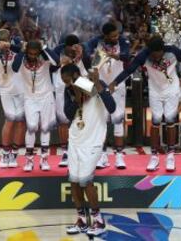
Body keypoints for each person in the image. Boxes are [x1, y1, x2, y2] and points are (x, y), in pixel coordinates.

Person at [110, 35, 181, 171]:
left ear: (163, 50)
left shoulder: (173, 51)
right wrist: (115, 82)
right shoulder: (143, 55)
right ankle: (154, 157)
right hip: (154, 91)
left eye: (158, 55)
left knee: (170, 121)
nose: (155, 58)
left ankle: (170, 155)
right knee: (155, 122)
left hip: (172, 90)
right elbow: (129, 70)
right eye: (153, 56)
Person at [62, 64, 116, 237]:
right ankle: (82, 220)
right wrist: (76, 95)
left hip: (93, 140)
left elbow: (112, 107)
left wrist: (98, 84)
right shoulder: (69, 91)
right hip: (75, 139)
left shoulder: (95, 85)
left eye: (69, 81)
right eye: (64, 82)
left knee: (86, 180)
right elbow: (69, 114)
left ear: (77, 75)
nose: (67, 85)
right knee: (75, 181)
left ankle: (98, 220)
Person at [85, 22, 130, 169]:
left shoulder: (122, 41)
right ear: (105, 36)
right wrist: (94, 56)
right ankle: (102, 155)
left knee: (118, 119)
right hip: (101, 85)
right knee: (101, 121)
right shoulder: (96, 41)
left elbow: (126, 56)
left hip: (117, 84)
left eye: (117, 34)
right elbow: (86, 50)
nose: (116, 37)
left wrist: (114, 55)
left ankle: (119, 156)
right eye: (113, 36)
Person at [12, 40, 59, 171]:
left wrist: (44, 47)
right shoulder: (21, 60)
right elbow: (14, 68)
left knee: (45, 128)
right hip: (30, 98)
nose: (33, 56)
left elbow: (57, 61)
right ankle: (29, 160)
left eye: (35, 53)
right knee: (32, 127)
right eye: (30, 53)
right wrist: (22, 50)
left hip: (46, 96)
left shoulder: (44, 59)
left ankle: (44, 159)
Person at [0, 29, 25, 168]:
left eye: (6, 39)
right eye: (1, 39)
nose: (4, 41)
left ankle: (14, 153)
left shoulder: (17, 48)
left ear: (10, 38)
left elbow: (21, 51)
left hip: (21, 90)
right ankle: (5, 153)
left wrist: (10, 46)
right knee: (9, 120)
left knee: (20, 122)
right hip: (5, 89)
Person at [52, 34, 91, 167]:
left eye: (75, 48)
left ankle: (81, 151)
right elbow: (50, 66)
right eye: (70, 48)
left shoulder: (83, 56)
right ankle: (65, 152)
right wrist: (60, 62)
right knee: (63, 121)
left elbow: (88, 77)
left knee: (80, 121)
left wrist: (80, 57)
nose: (72, 50)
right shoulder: (58, 54)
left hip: (78, 91)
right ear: (65, 47)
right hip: (61, 91)